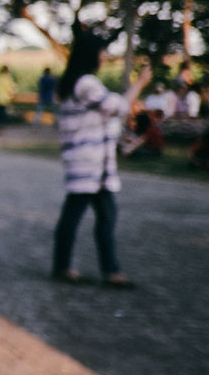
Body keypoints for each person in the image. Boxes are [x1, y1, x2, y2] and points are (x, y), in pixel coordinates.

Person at [50, 28, 151, 289]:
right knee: (101, 216)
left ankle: (74, 267)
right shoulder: (86, 84)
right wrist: (139, 84)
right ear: (92, 54)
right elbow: (117, 107)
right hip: (90, 162)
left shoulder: (72, 82)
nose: (105, 56)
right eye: (102, 50)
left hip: (88, 162)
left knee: (84, 215)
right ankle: (108, 271)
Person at [0, 65, 15, 135]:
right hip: (4, 99)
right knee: (2, 115)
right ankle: (1, 130)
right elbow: (11, 89)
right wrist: (11, 96)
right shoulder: (7, 78)